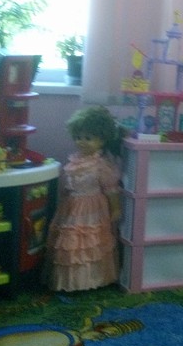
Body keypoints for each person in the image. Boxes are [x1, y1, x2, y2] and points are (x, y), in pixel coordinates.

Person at [46, 105, 125, 292]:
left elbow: (111, 189)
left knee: (90, 241)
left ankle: (91, 278)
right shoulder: (75, 160)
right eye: (78, 137)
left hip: (93, 207)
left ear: (102, 140)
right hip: (72, 206)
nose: (81, 142)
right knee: (71, 240)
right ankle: (71, 280)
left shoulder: (101, 165)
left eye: (88, 138)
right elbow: (69, 184)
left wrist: (116, 208)